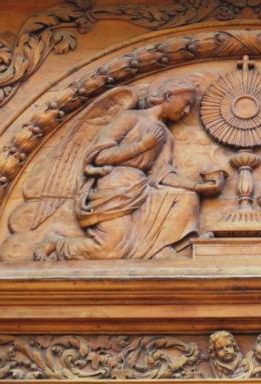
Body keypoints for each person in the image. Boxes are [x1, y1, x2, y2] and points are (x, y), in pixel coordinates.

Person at [34, 79, 221, 260]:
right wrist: (141, 146)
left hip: (141, 187)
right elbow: (100, 156)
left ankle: (161, 248)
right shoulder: (130, 118)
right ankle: (57, 243)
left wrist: (197, 187)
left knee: (186, 197)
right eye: (186, 103)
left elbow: (161, 174)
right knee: (109, 252)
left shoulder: (166, 136)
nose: (187, 111)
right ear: (169, 96)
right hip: (115, 185)